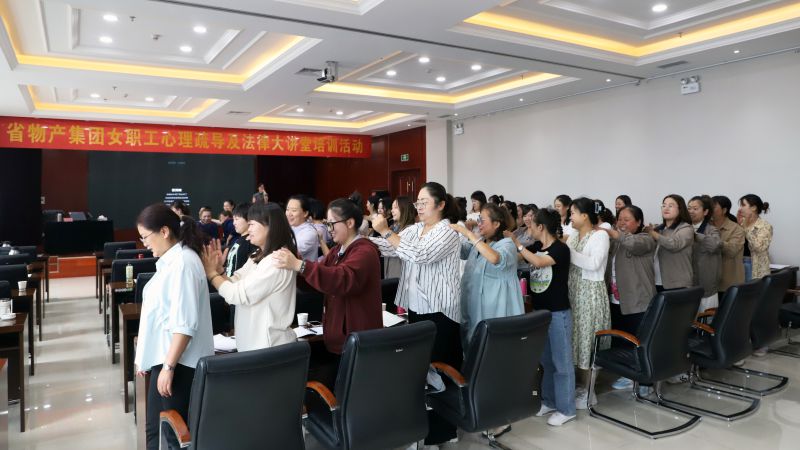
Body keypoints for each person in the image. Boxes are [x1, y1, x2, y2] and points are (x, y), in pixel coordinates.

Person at [370, 181, 462, 446]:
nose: (419, 206)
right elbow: (391, 247)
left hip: (441, 310)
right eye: (417, 202)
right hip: (417, 306)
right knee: (423, 370)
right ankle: (423, 427)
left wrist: (386, 231)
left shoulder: (447, 232)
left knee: (442, 369)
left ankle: (444, 431)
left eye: (424, 202)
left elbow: (420, 255)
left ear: (440, 205)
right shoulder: (415, 229)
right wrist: (361, 240)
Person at [273, 198, 382, 388]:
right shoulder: (337, 251)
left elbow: (342, 279)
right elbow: (320, 281)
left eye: (331, 224)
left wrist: (301, 266)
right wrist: (296, 269)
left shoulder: (365, 251)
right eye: (327, 224)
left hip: (358, 341)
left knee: (353, 392)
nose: (328, 229)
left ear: (350, 223)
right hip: (339, 340)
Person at [134, 204, 214, 450]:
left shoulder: (183, 263)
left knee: (174, 436)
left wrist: (168, 367)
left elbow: (184, 324)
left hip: (179, 364)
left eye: (145, 237)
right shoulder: (171, 261)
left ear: (164, 231)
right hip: (166, 358)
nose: (144, 244)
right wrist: (146, 356)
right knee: (156, 431)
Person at [508, 208, 576, 426]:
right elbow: (519, 257)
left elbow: (538, 262)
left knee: (562, 363)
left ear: (541, 227)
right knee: (546, 361)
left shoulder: (560, 249)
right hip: (540, 313)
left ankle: (567, 409)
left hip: (558, 312)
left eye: (532, 224)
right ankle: (550, 401)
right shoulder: (537, 246)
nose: (529, 227)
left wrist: (517, 243)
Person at [201, 203, 298, 352]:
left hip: (269, 347)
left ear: (270, 227)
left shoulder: (276, 261)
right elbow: (235, 283)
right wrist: (219, 270)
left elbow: (235, 295)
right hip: (255, 345)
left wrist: (211, 273)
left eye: (252, 224)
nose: (249, 228)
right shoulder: (258, 255)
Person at [601, 205, 656, 391]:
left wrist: (613, 233)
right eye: (619, 219)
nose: (621, 223)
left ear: (638, 222)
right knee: (622, 340)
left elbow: (633, 244)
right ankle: (628, 374)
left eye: (627, 219)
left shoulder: (645, 239)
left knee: (640, 342)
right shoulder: (616, 242)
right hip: (617, 300)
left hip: (638, 300)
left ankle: (646, 381)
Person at [451, 203, 523, 344]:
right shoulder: (480, 243)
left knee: (493, 347)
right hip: (473, 306)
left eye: (482, 220)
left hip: (496, 309)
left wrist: (469, 234)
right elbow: (460, 251)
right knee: (473, 346)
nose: (479, 224)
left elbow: (495, 258)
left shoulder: (507, 244)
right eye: (478, 220)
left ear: (496, 224)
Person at [566, 197, 610, 410]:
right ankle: (580, 387)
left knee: (589, 341)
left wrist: (568, 252)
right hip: (574, 293)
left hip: (590, 294)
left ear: (585, 216)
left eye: (573, 213)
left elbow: (593, 264)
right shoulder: (574, 235)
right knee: (576, 340)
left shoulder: (601, 235)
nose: (570, 217)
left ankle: (590, 391)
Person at [647, 194, 694, 291]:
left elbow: (673, 244)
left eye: (670, 206)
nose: (666, 208)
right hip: (656, 282)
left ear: (680, 209)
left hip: (678, 283)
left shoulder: (686, 228)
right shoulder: (659, 229)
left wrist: (652, 233)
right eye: (664, 205)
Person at [688, 195, 722, 312]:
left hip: (706, 285)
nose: (691, 211)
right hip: (688, 283)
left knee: (706, 317)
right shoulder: (684, 228)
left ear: (705, 212)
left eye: (695, 208)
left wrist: (696, 235)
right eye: (689, 208)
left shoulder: (711, 229)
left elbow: (715, 246)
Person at [711, 195, 745, 295]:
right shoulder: (706, 226)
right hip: (709, 281)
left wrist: (715, 242)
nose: (710, 209)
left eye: (713, 207)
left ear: (724, 210)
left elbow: (732, 251)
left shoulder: (736, 229)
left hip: (728, 283)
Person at [380, 196, 417, 279]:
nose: (392, 210)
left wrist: (366, 239)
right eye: (392, 208)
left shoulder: (410, 230)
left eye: (395, 207)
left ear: (405, 209)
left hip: (401, 277)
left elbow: (390, 246)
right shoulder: (393, 227)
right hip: (391, 273)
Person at [738, 194, 773, 281]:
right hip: (739, 264)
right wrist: (738, 225)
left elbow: (759, 247)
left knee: (752, 289)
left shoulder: (765, 226)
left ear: (753, 208)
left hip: (755, 268)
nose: (740, 209)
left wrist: (746, 228)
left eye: (743, 205)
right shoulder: (742, 222)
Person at [223, 203, 255, 277]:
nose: (234, 223)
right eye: (233, 219)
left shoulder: (251, 242)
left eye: (237, 219)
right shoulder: (240, 240)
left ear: (249, 220)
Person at [286, 195, 320, 262]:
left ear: (305, 213)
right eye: (287, 209)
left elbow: (289, 252)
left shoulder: (310, 233)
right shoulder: (291, 226)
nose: (289, 214)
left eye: (294, 210)